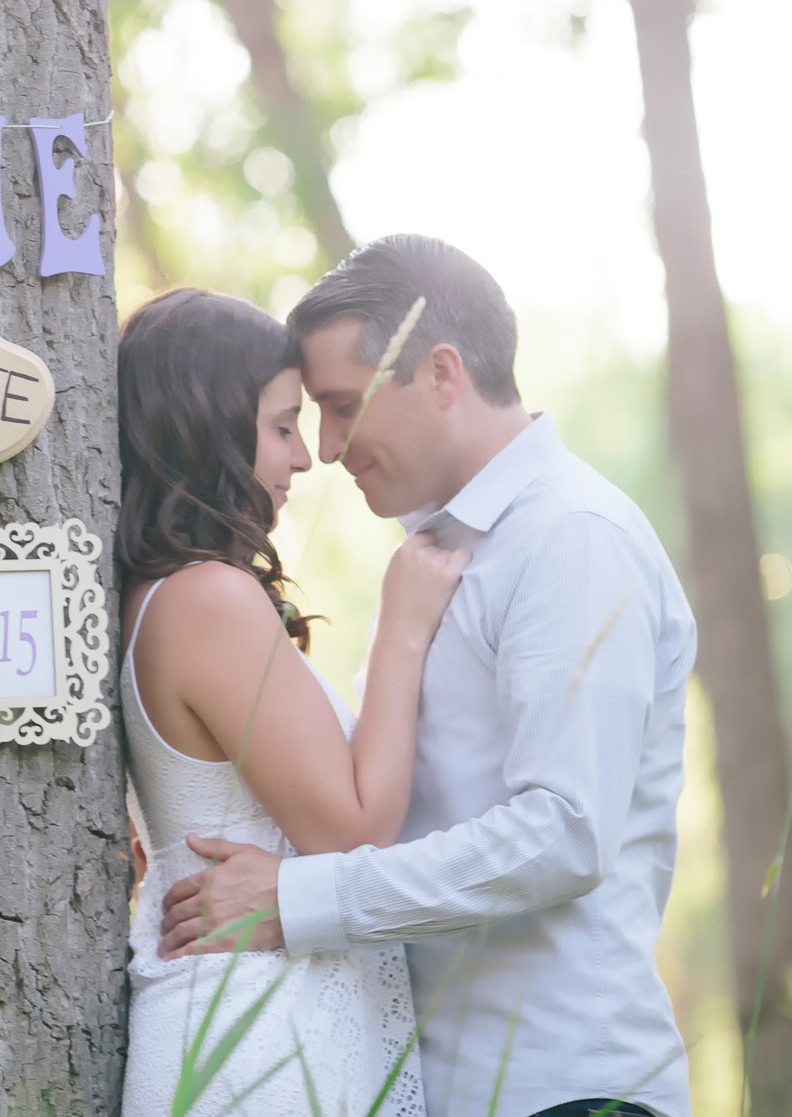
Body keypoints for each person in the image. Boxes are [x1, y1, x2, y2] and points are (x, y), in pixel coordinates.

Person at [157, 237, 693, 1117]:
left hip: (564, 1092)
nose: (325, 449)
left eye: (339, 406)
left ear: (441, 374)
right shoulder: (436, 554)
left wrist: (298, 898)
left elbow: (563, 831)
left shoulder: (571, 537)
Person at [116, 286, 468, 1117]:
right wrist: (401, 632)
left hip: (254, 1028)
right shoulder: (207, 598)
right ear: (210, 429)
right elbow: (354, 831)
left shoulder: (168, 592)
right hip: (256, 1043)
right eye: (281, 426)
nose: (305, 457)